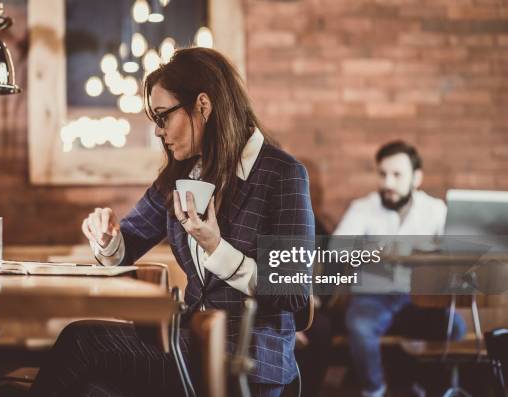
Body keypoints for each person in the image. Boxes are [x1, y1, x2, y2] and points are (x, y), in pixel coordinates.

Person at [30, 47, 315, 397]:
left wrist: (216, 247)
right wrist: (106, 238)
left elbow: (293, 292)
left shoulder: (281, 173)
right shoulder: (181, 176)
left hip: (248, 360)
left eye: (163, 116)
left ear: (203, 106)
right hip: (190, 345)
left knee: (82, 342)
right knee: (93, 388)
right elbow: (125, 247)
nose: (158, 131)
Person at [334, 141, 466, 397]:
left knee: (456, 329)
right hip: (372, 298)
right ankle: (374, 389)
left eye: (397, 175)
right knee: (360, 327)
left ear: (416, 178)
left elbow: (456, 255)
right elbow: (336, 250)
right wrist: (378, 253)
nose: (388, 184)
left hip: (419, 299)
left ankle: (423, 383)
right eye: (383, 174)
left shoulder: (435, 210)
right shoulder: (363, 207)